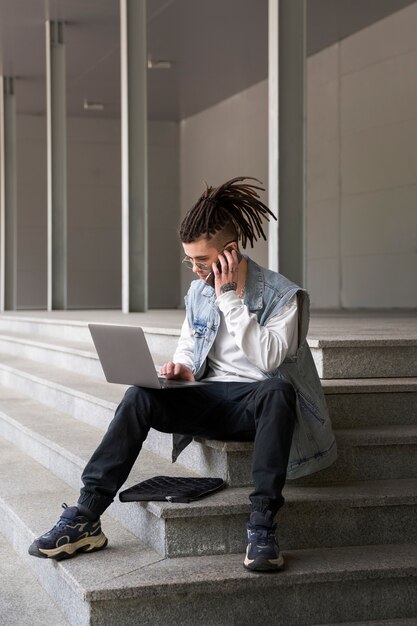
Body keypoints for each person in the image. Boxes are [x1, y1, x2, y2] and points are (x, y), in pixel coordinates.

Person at [29, 177, 337, 572]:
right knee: (139, 396)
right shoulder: (199, 292)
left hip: (257, 405)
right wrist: (182, 369)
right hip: (208, 399)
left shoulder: (283, 296)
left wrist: (229, 299)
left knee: (277, 392)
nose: (194, 270)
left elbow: (269, 361)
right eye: (189, 260)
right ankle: (87, 514)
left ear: (230, 251)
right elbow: (190, 344)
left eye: (202, 261)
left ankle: (262, 525)